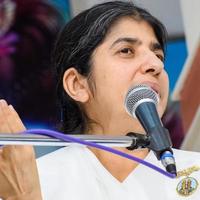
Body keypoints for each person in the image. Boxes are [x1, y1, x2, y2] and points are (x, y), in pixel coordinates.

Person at [0, 1, 200, 199]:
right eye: (126, 51)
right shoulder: (28, 181)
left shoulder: (196, 169)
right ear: (77, 85)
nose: (155, 64)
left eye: (158, 55)